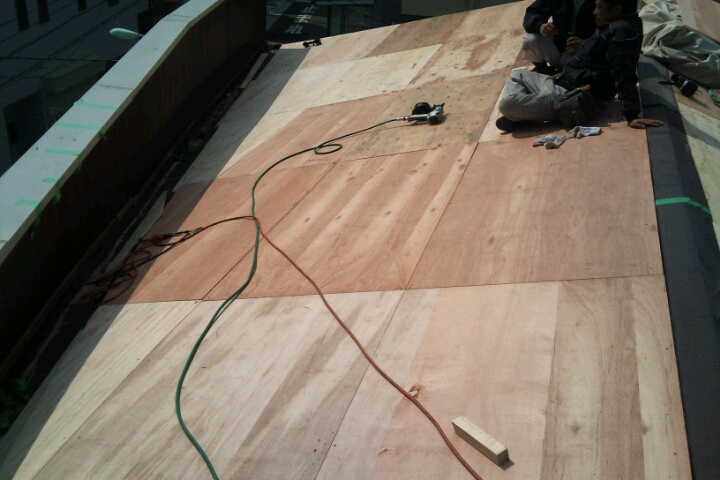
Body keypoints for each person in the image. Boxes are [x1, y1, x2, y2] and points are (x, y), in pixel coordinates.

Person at [496, 0, 664, 131]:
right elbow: (534, 12)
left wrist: (631, 115)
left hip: (572, 97)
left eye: (599, 7)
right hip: (562, 81)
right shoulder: (611, 23)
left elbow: (624, 73)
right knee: (516, 75)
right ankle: (527, 114)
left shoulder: (621, 33)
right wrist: (540, 25)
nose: (594, 12)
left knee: (506, 105)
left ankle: (526, 113)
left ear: (616, 10)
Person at [522, 0, 597, 73]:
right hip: (560, 45)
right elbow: (533, 12)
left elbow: (604, 31)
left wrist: (587, 44)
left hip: (587, 54)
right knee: (530, 40)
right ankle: (544, 70)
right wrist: (540, 26)